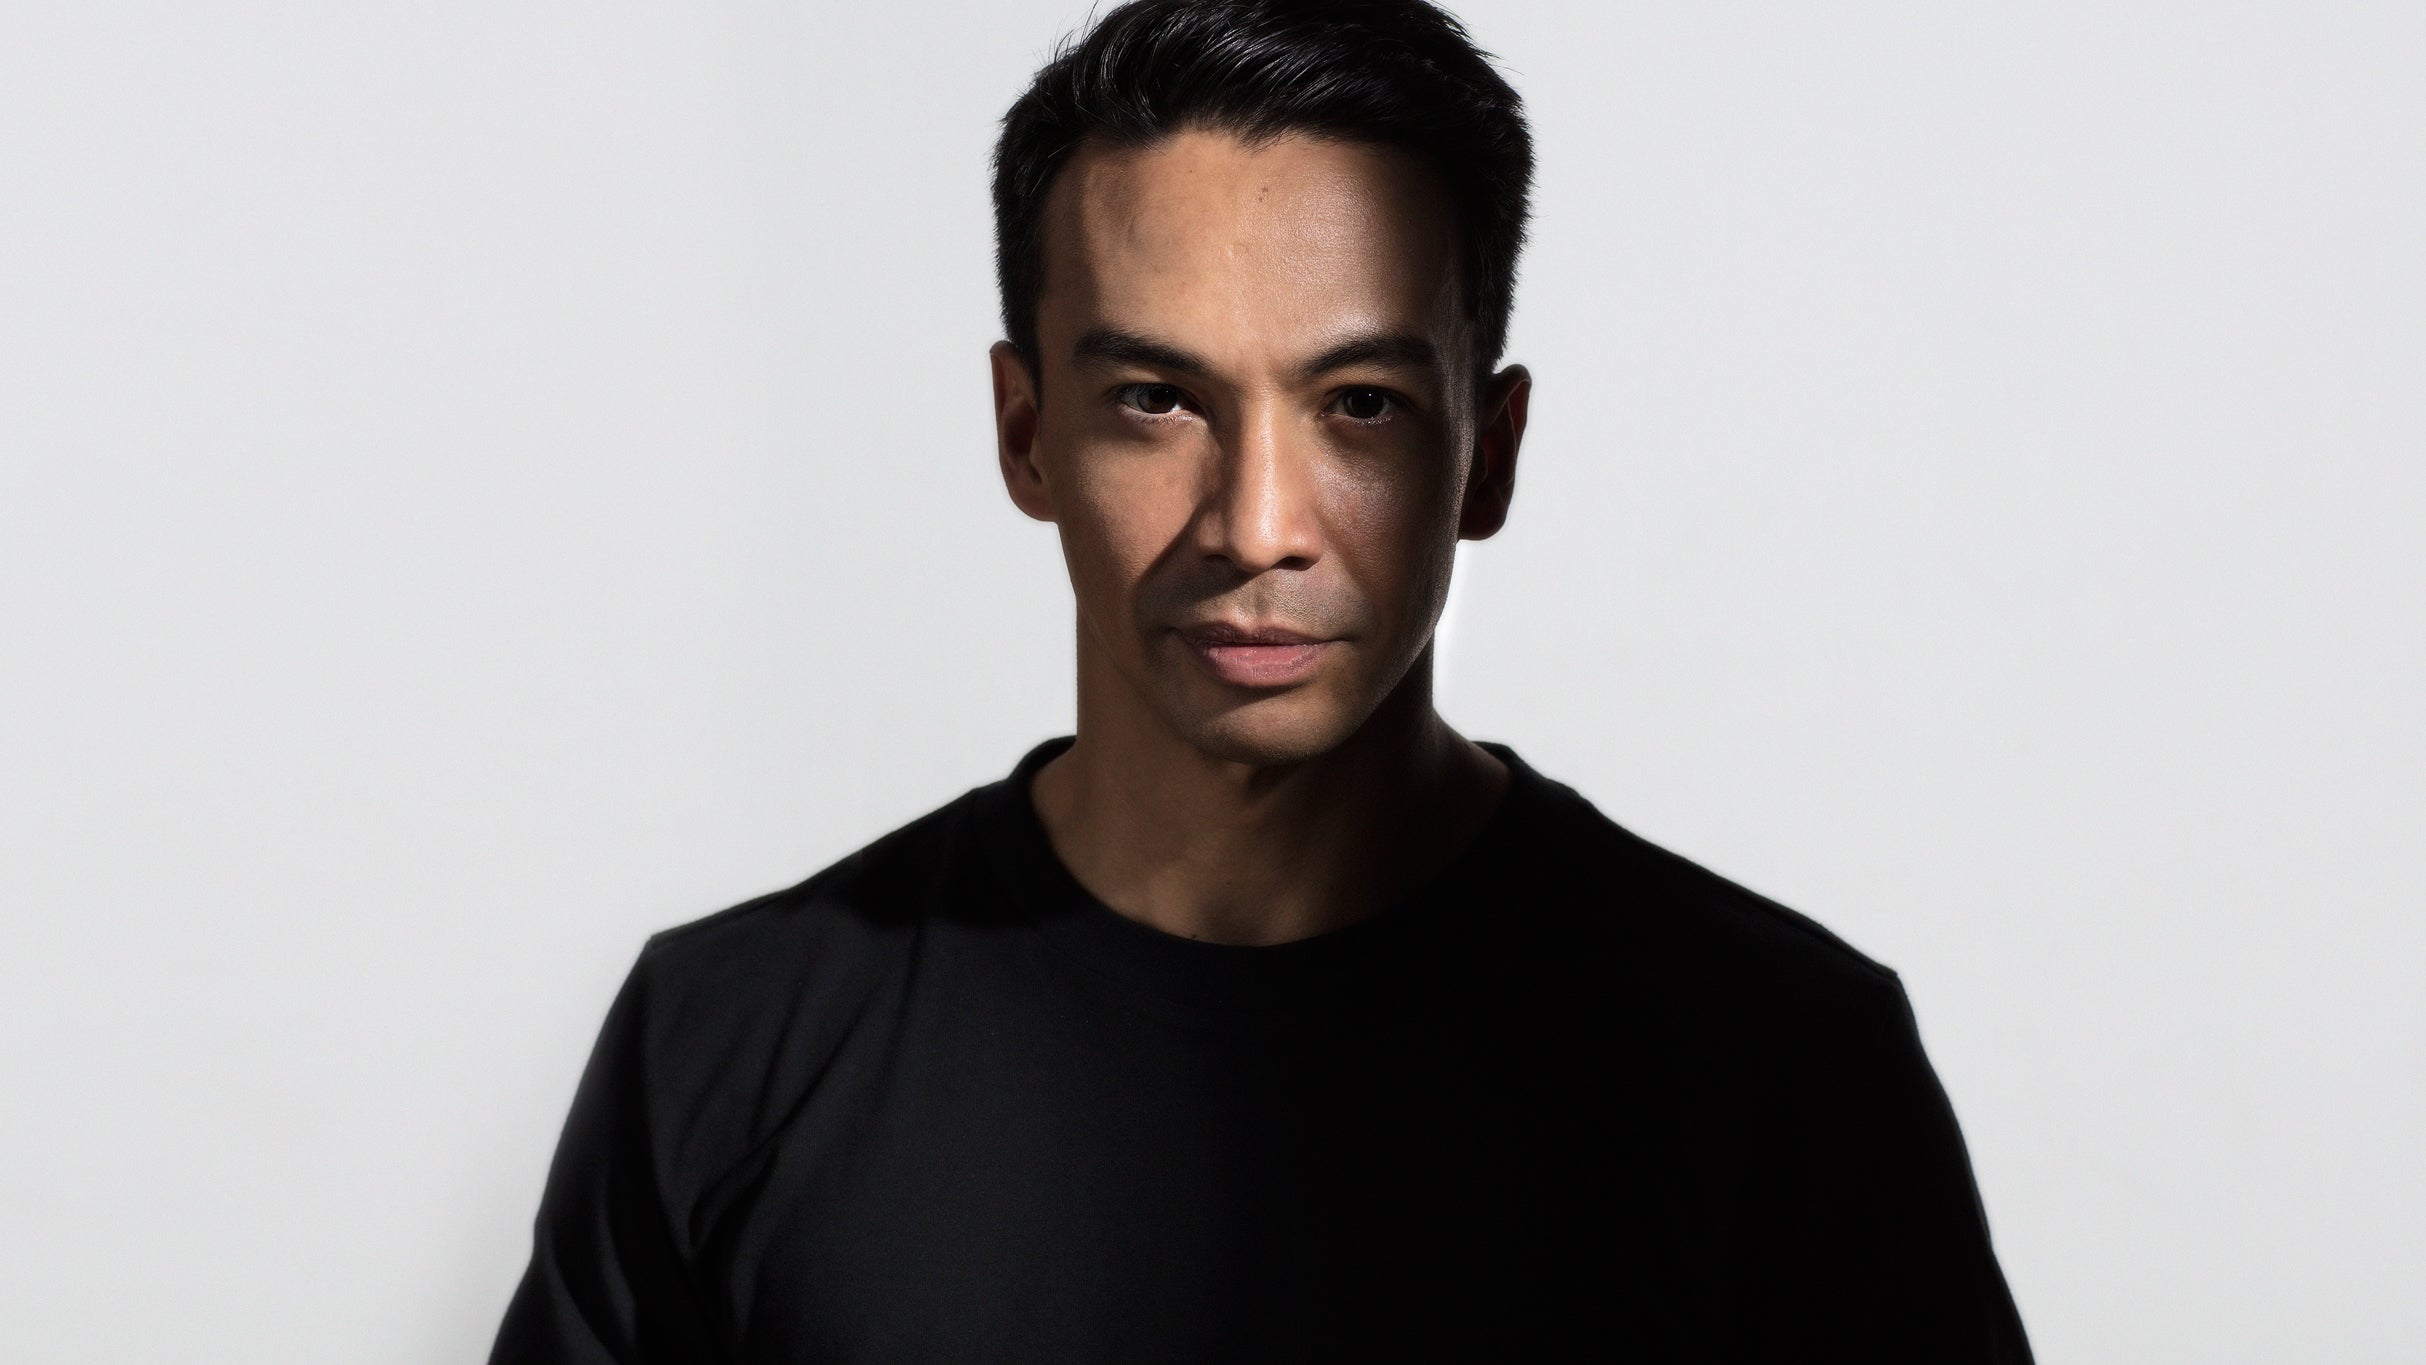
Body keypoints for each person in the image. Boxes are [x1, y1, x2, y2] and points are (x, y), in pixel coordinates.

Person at [490, 1, 2033, 1359]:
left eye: (1357, 403)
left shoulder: (1783, 1070)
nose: (1256, 524)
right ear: (1025, 435)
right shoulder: (725, 1045)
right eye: (1154, 400)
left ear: (1485, 455)